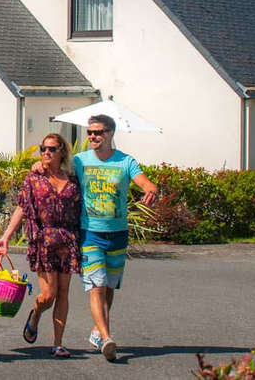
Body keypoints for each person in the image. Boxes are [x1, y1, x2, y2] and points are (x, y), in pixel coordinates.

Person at [69, 113, 158, 362]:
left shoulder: (125, 161)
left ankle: (98, 331)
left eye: (99, 132)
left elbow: (145, 183)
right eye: (90, 132)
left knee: (108, 287)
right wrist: (38, 165)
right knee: (96, 287)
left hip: (118, 234)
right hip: (90, 234)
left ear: (110, 133)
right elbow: (55, 167)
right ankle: (107, 338)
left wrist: (151, 190)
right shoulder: (79, 160)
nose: (93, 137)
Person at [0, 133, 81, 358]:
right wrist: (6, 236)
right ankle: (35, 313)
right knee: (48, 295)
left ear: (62, 151)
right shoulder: (34, 177)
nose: (46, 153)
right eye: (43, 148)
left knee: (63, 293)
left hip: (68, 240)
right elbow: (22, 207)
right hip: (44, 241)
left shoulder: (72, 178)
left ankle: (58, 343)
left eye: (51, 149)